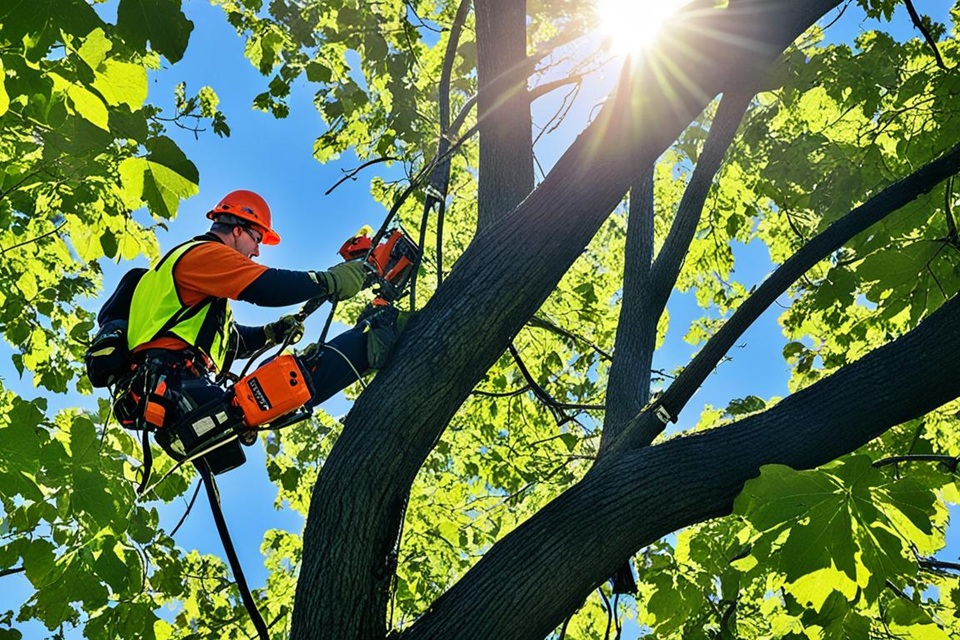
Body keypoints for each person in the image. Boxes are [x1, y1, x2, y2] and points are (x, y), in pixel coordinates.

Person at [119, 189, 399, 474]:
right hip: (174, 383)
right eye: (256, 240)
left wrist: (270, 332)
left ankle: (372, 334)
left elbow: (227, 341)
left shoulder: (180, 280)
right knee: (289, 383)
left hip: (171, 382)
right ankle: (376, 334)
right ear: (238, 230)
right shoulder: (202, 254)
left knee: (274, 391)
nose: (256, 251)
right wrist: (328, 280)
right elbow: (265, 286)